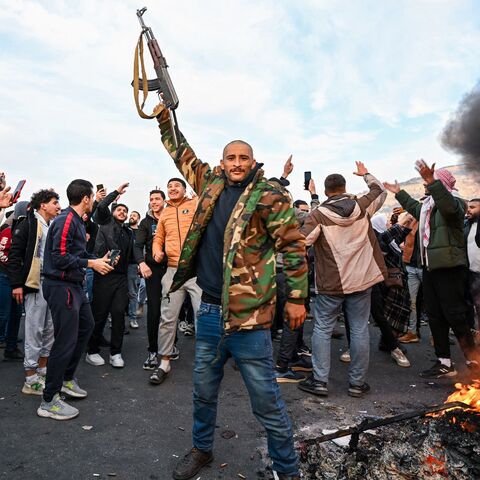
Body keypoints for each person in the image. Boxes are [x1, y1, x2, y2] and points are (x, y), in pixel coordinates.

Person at [154, 104, 308, 480]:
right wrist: (163, 119)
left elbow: (292, 246)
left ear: (254, 161)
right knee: (203, 391)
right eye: (230, 157)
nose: (237, 163)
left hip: (250, 318)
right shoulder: (211, 184)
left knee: (267, 401)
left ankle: (288, 471)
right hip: (207, 312)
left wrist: (298, 298)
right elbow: (182, 153)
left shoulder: (269, 195)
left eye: (243, 157)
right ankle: (202, 449)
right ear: (221, 163)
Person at [299, 163, 387, 398]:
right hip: (361, 281)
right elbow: (381, 191)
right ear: (344, 187)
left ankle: (319, 381)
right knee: (359, 329)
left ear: (327, 191)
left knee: (322, 329)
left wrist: (313, 198)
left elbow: (302, 241)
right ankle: (357, 384)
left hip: (331, 284)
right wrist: (366, 174)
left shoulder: (317, 215)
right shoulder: (362, 206)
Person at [384, 162, 477, 378]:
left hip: (450, 267)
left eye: (431, 183)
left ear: (442, 184)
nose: (426, 187)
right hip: (430, 267)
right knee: (435, 315)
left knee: (455, 314)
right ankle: (444, 362)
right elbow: (414, 208)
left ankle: (473, 359)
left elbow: (447, 205)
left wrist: (432, 181)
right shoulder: (428, 207)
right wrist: (399, 193)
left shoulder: (454, 205)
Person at [37, 179, 113, 421]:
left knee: (87, 327)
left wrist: (99, 259)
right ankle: (49, 400)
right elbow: (59, 258)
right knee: (65, 341)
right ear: (87, 198)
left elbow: (78, 255)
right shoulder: (66, 220)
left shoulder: (78, 222)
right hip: (60, 286)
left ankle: (67, 379)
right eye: (93, 198)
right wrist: (91, 263)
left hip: (75, 285)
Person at [8, 189, 61, 394]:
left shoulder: (51, 225)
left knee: (49, 330)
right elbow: (15, 256)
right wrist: (16, 284)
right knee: (34, 330)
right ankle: (30, 378)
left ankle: (42, 369)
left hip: (51, 285)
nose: (58, 206)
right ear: (43, 205)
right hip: (34, 284)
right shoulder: (28, 223)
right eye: (55, 202)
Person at [149, 178, 200, 384]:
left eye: (176, 185)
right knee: (167, 318)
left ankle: (205, 363)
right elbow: (158, 237)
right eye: (169, 186)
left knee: (203, 318)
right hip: (172, 271)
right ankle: (164, 362)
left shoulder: (194, 205)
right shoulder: (165, 213)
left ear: (184, 189)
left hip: (196, 271)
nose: (172, 189)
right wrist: (156, 250)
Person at [86, 183, 133, 368]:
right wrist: (115, 194)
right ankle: (92, 350)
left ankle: (116, 352)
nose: (122, 212)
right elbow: (102, 206)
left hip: (121, 278)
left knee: (119, 314)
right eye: (119, 209)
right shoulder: (105, 222)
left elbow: (133, 254)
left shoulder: (128, 232)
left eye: (125, 211)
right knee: (99, 315)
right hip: (103, 274)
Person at [133, 190, 168, 370]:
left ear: (164, 201)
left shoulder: (171, 217)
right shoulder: (146, 223)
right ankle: (153, 351)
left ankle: (171, 345)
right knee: (154, 310)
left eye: (157, 199)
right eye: (151, 199)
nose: (154, 202)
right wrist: (141, 263)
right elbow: (137, 246)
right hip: (152, 270)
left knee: (170, 310)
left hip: (172, 269)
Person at [0, 202, 28, 360]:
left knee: (16, 315)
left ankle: (11, 348)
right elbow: (3, 255)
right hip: (5, 277)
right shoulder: (8, 231)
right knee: (3, 314)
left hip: (18, 280)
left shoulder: (28, 229)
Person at [465, 198, 480, 330]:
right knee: (469, 306)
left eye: (473, 207)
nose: (468, 210)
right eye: (468, 207)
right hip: (469, 272)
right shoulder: (466, 225)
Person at [127, 210, 141, 329]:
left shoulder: (140, 232)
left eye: (134, 215)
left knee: (132, 293)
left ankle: (133, 318)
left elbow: (143, 249)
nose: (131, 217)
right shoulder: (124, 228)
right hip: (120, 265)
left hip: (133, 265)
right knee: (118, 293)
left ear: (138, 219)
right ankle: (114, 318)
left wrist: (141, 264)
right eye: (130, 215)